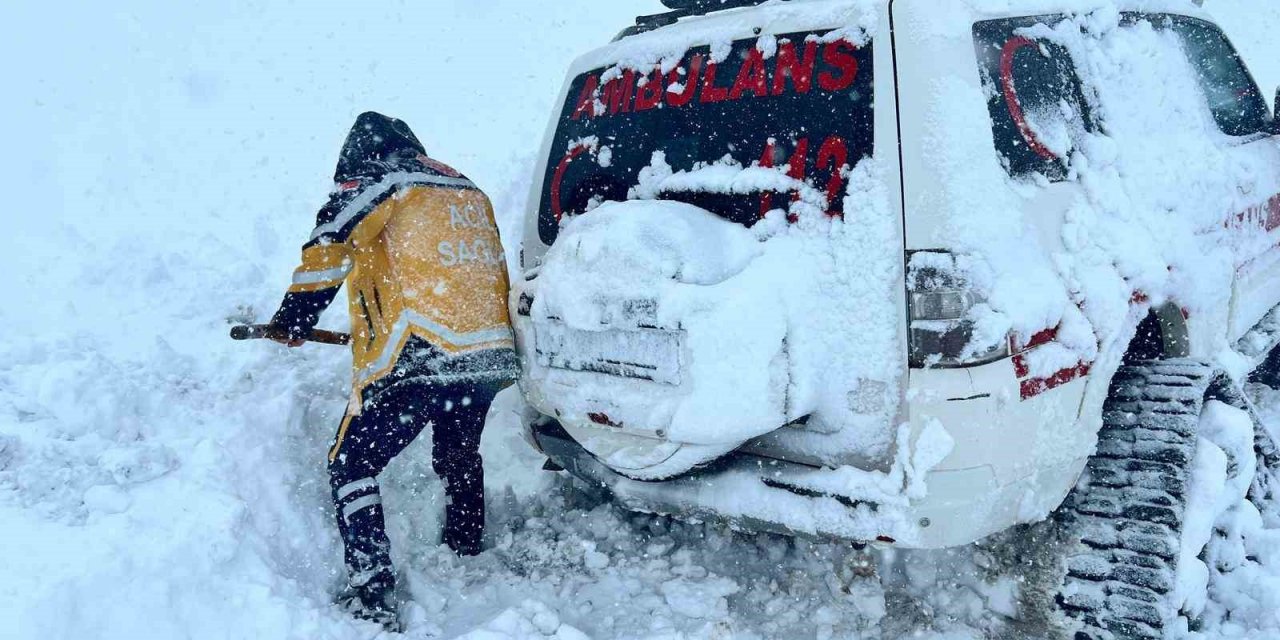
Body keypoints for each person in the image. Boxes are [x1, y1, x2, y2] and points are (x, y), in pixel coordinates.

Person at [266, 112, 519, 629]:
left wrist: (295, 318)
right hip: (488, 354)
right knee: (458, 454)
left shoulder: (383, 180)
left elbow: (331, 238)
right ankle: (466, 549)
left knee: (351, 465)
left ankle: (372, 590)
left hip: (422, 353)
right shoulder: (465, 188)